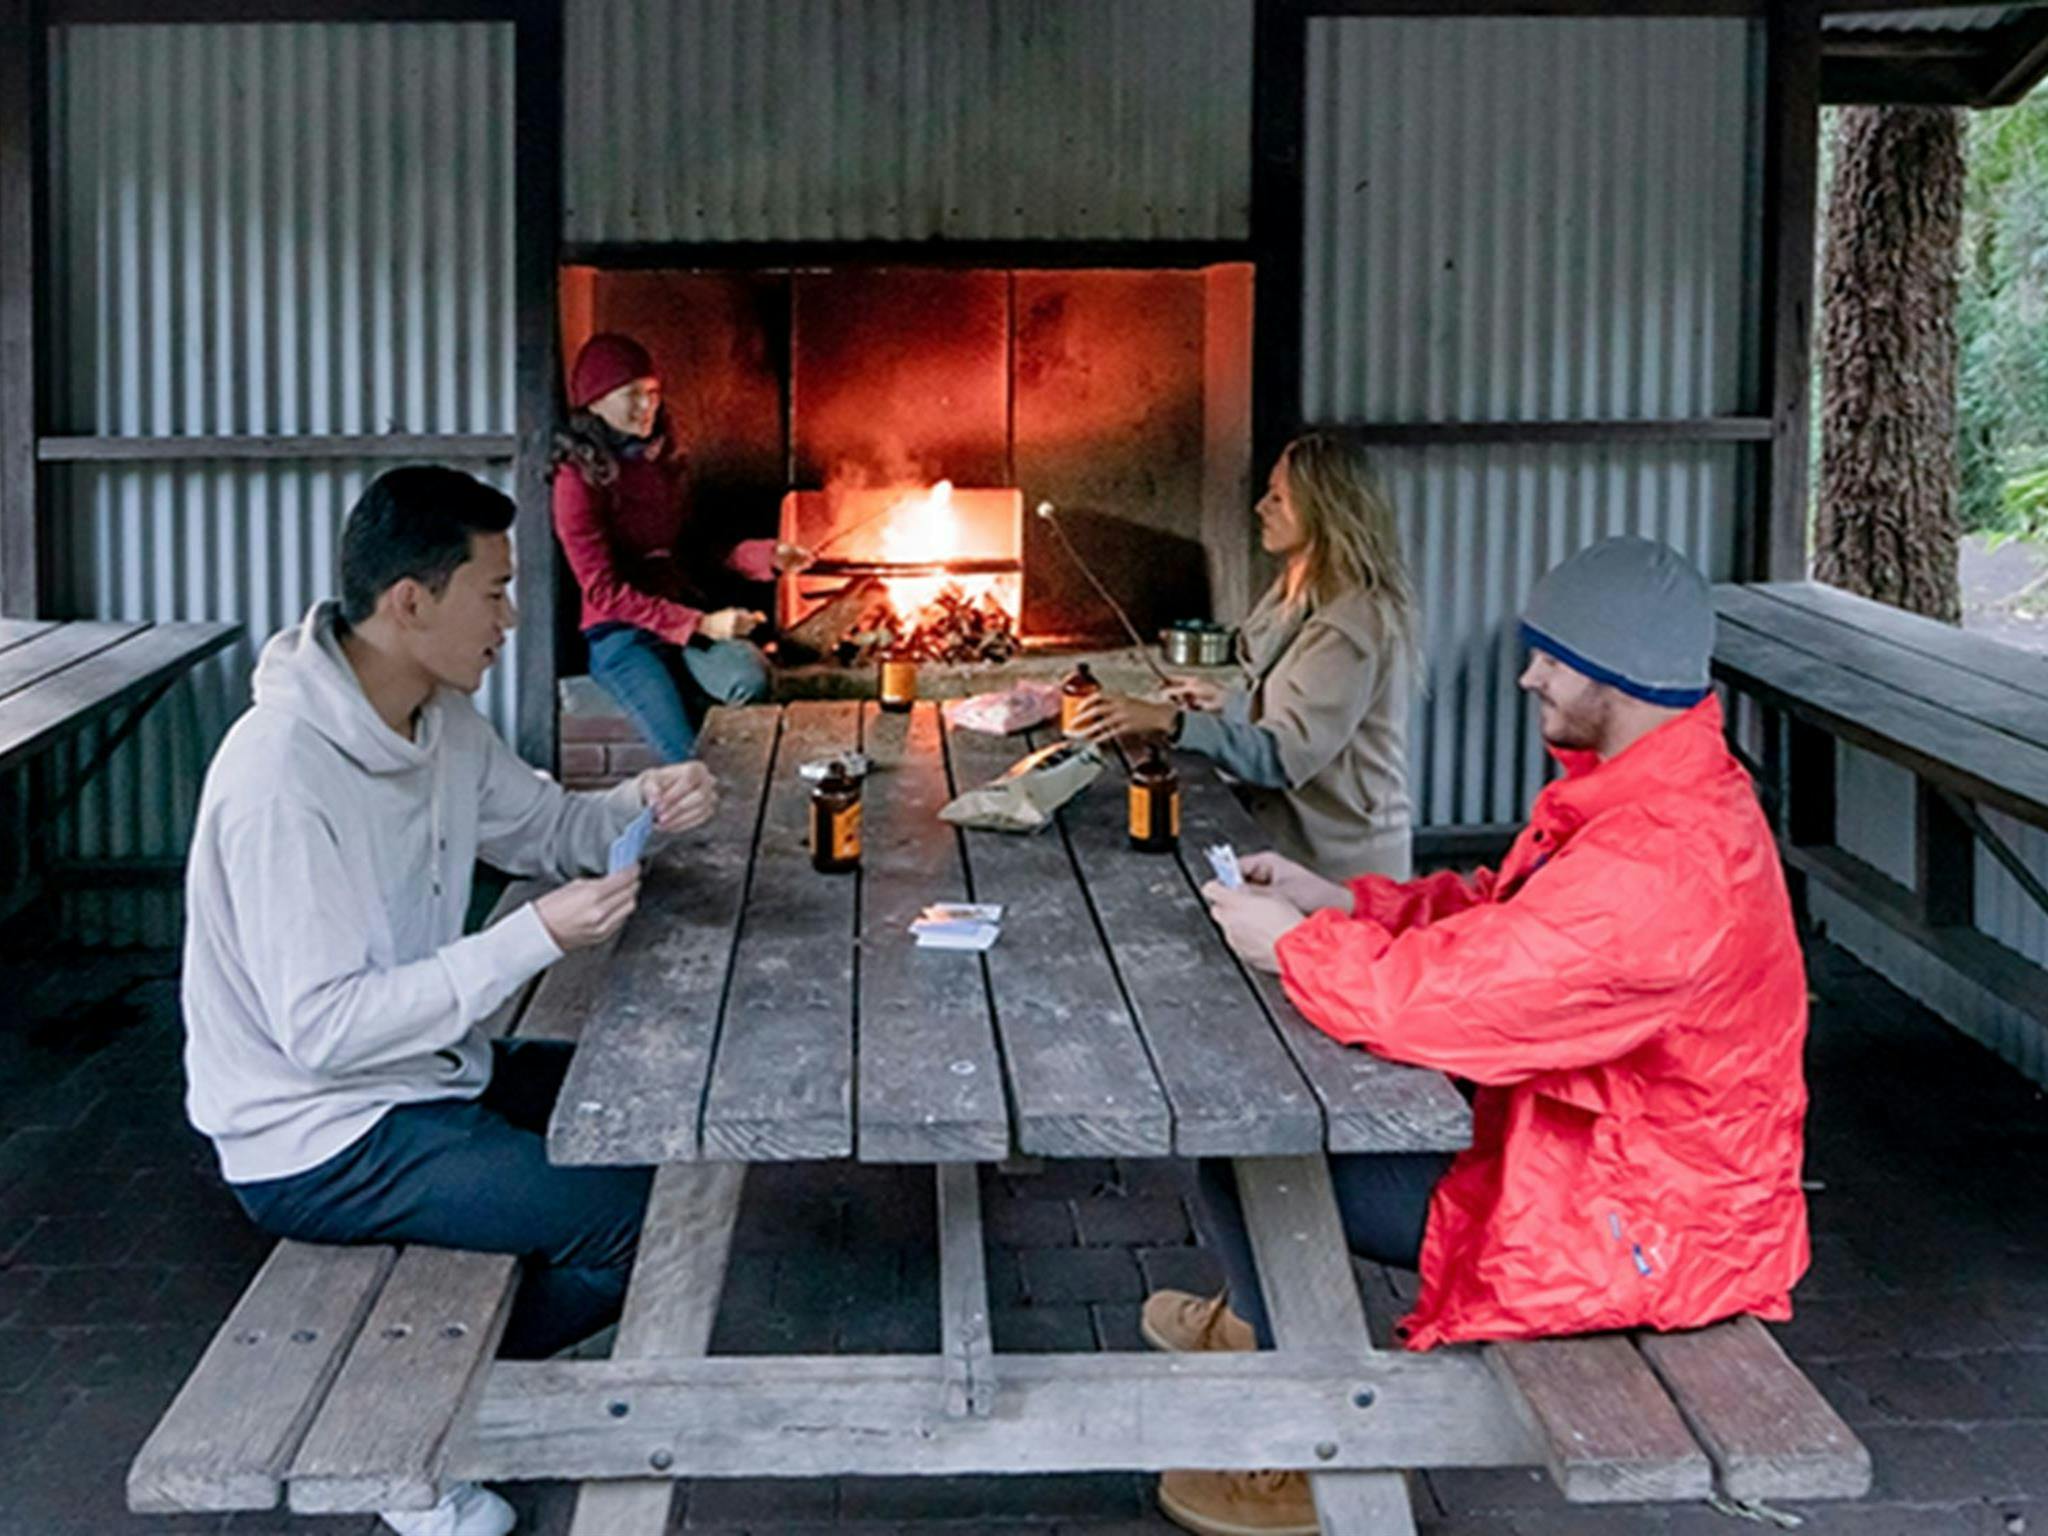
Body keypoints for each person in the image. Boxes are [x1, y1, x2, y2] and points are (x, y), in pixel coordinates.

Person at [1149, 537, 1811, 1536]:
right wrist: (1346, 903)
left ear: (1615, 672)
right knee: (1242, 1138)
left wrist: (1295, 949)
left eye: (1549, 656)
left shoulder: (1664, 862)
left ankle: (1301, 1461)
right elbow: (1505, 928)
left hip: (1636, 1229)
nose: (1524, 675)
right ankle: (1251, 1326)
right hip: (1597, 1163)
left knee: (1260, 1150)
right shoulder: (1648, 795)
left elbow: (1453, 1004)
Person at [181, 466, 722, 1536]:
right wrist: (529, 938)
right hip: (319, 1134)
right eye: (494, 591)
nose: (516, 618)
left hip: (426, 1071)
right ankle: (406, 1421)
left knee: (662, 1110)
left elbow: (545, 831)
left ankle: (438, 1383)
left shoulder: (436, 717)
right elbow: (324, 1033)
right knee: (635, 1226)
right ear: (410, 602)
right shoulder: (280, 777)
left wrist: (646, 805)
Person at [1070, 430, 1418, 881]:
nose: (1261, 508)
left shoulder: (1350, 622)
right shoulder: (1297, 594)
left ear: (1324, 509)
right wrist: (1225, 704)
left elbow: (1282, 756)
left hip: (1340, 868)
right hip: (1291, 845)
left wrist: (1168, 721)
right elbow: (1293, 710)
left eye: (1277, 497)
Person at [552, 331, 811, 762]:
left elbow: (690, 550)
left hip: (681, 619)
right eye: (631, 394)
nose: (647, 406)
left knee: (751, 677)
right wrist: (702, 626)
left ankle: (739, 769)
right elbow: (602, 592)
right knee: (685, 757)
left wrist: (763, 555)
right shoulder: (575, 480)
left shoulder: (658, 462)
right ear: (594, 403)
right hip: (622, 635)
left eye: (653, 392)